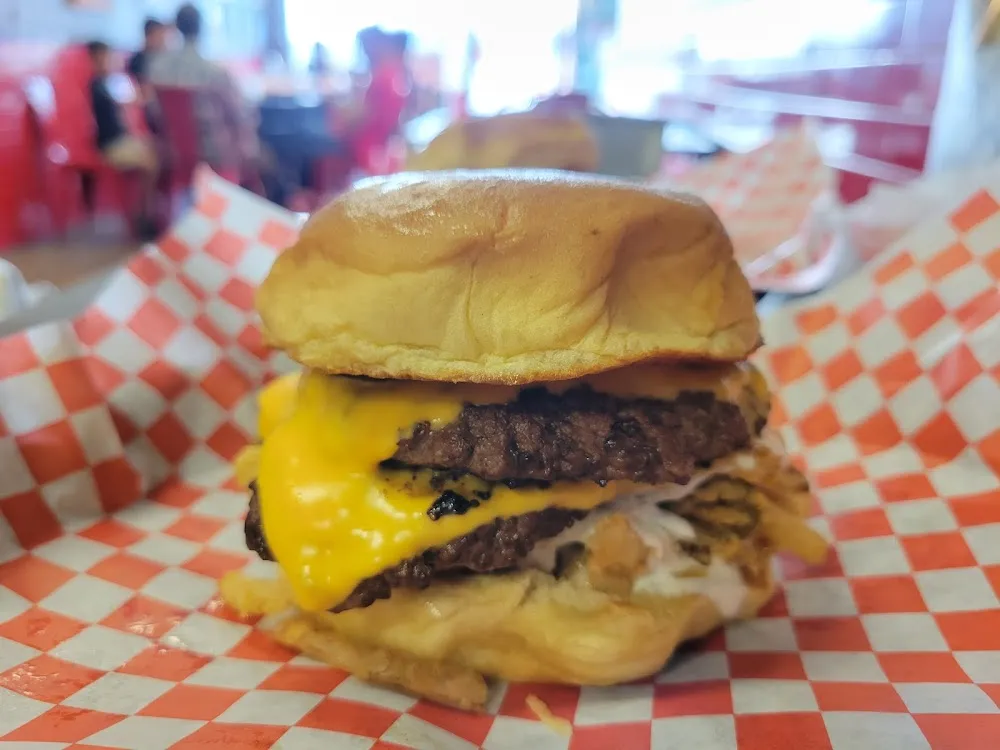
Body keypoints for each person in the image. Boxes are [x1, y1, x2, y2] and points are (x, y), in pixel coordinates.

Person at [147, 3, 264, 188]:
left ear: (177, 27)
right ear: (201, 27)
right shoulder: (215, 72)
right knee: (264, 155)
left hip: (175, 153)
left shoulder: (158, 70)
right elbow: (239, 114)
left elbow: (154, 113)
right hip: (216, 154)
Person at [86, 41, 160, 237]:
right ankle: (143, 216)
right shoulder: (97, 86)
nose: (108, 61)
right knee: (153, 161)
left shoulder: (106, 84)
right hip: (111, 147)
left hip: (119, 142)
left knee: (154, 150)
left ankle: (145, 212)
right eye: (103, 57)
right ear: (93, 59)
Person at [127, 18, 167, 93]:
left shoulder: (164, 60)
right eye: (159, 35)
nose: (163, 40)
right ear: (148, 36)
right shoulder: (137, 61)